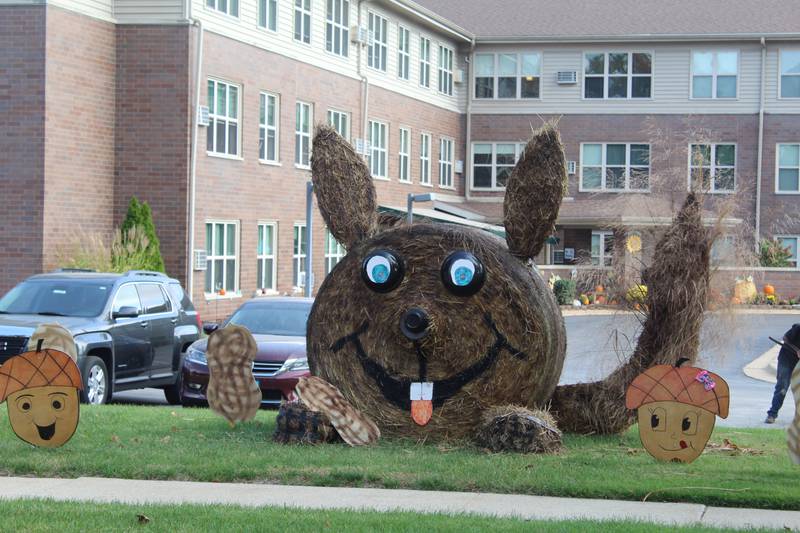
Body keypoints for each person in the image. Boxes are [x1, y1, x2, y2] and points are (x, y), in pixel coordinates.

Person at [765, 323, 800, 424]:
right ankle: (772, 414)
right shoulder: (798, 327)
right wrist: (797, 350)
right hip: (786, 359)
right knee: (782, 387)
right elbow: (785, 338)